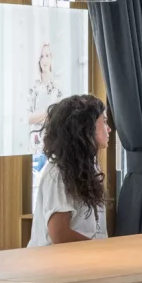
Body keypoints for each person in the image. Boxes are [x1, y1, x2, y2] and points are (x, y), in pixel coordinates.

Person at [29, 95, 109, 247]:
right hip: (55, 265)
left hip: (81, 261)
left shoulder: (88, 166)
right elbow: (60, 234)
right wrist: (101, 249)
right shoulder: (58, 174)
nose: (109, 128)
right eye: (104, 122)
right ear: (87, 129)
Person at [25, 43, 64, 171]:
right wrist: (48, 113)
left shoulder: (57, 87)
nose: (45, 60)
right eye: (42, 56)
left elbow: (60, 116)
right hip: (36, 145)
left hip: (54, 144)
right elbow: (28, 117)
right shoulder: (34, 86)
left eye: (47, 55)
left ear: (51, 58)